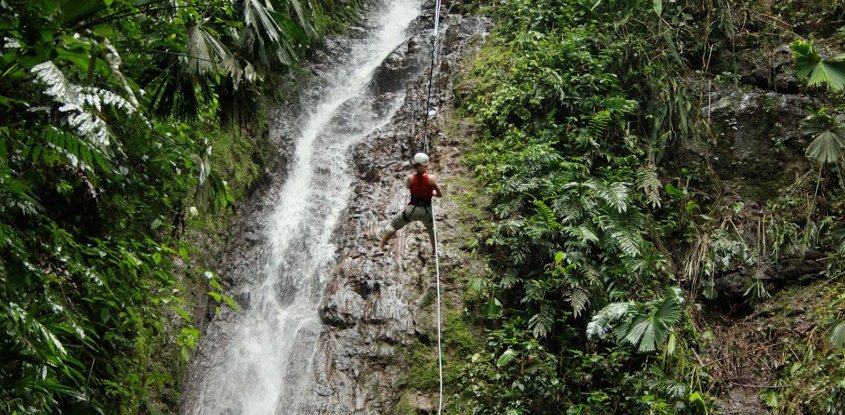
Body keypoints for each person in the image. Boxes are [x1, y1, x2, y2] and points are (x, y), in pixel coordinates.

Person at [379, 152, 443, 252]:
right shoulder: (431, 179)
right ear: (426, 164)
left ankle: (380, 248)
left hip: (411, 210)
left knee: (392, 225)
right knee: (432, 230)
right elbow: (439, 194)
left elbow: (408, 187)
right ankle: (435, 251)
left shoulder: (410, 178)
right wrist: (432, 193)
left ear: (415, 165)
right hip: (426, 211)